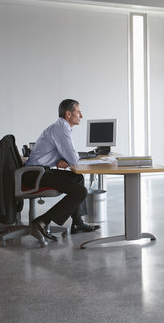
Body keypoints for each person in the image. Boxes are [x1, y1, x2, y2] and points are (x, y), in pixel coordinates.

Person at [26, 99, 100, 241]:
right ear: (68, 114)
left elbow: (70, 157)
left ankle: (77, 223)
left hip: (39, 171)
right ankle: (42, 221)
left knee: (78, 178)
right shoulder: (61, 129)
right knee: (80, 191)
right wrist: (69, 159)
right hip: (35, 174)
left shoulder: (60, 127)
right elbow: (74, 159)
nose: (81, 116)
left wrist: (66, 159)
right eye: (78, 112)